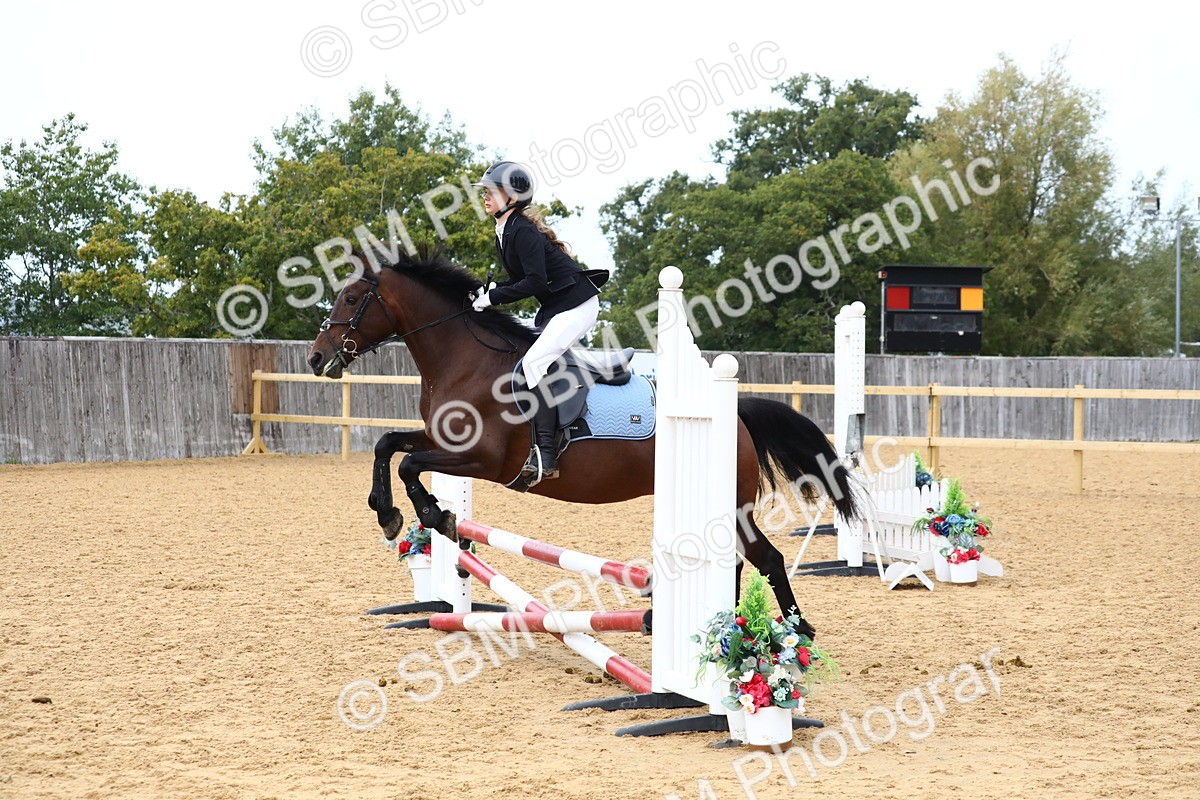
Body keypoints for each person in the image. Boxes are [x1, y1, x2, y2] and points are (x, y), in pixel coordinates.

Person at [470, 161, 605, 482]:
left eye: (492, 191)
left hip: (578, 305)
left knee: (533, 365)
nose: (485, 197)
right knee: (520, 357)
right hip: (558, 306)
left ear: (512, 196)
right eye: (485, 192)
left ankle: (546, 452)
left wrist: (495, 297)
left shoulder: (522, 231)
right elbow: (520, 279)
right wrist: (491, 290)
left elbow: (535, 282)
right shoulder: (504, 229)